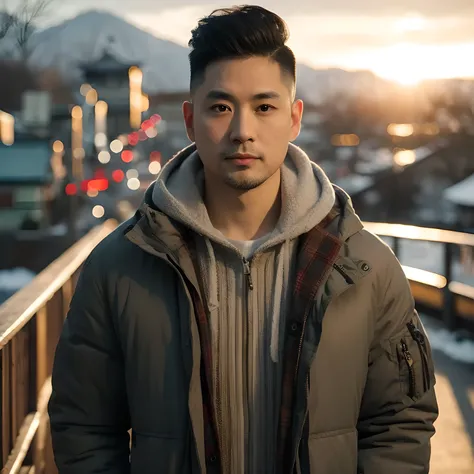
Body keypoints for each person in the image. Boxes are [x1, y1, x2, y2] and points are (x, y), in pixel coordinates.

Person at [48, 5, 438, 474]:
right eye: (221, 107)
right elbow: (84, 427)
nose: (242, 131)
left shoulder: (364, 267)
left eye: (264, 106)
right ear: (191, 121)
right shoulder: (121, 266)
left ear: (294, 118)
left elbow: (399, 423)